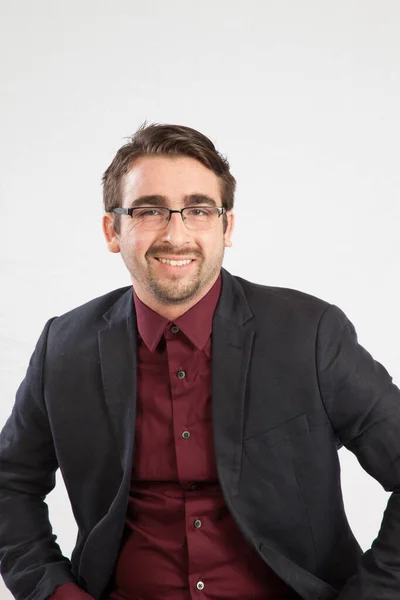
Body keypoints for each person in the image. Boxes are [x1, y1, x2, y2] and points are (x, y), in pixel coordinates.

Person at [0, 123, 399, 600]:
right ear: (113, 230)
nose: (176, 233)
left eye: (198, 210)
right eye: (150, 211)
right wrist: (55, 593)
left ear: (226, 227)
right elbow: (9, 486)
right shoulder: (63, 347)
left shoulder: (309, 333)